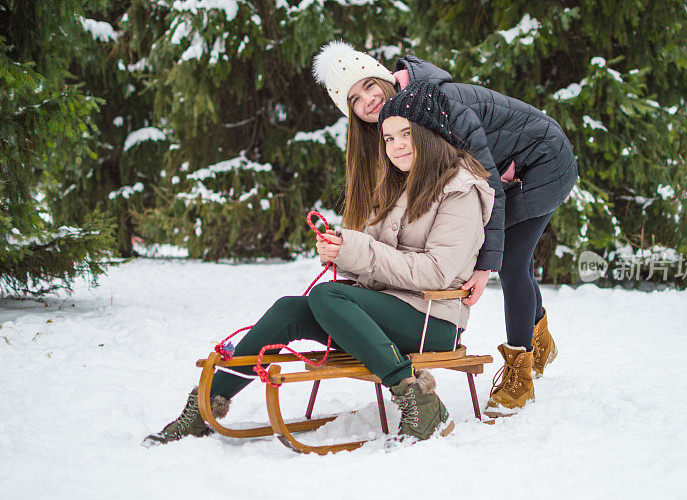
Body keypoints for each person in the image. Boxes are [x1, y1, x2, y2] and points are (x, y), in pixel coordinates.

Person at [143, 81, 494, 447]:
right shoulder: (396, 185)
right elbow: (372, 255)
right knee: (288, 310)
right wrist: (340, 249)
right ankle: (204, 408)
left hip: (432, 319)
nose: (396, 145)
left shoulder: (460, 190)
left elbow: (435, 272)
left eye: (406, 133)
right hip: (386, 308)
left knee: (328, 298)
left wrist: (356, 250)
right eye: (388, 138)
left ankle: (419, 401)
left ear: (431, 131)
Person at [313, 41, 578, 416]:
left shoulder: (439, 104)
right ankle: (539, 337)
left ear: (384, 77)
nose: (367, 101)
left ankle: (521, 372)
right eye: (354, 99)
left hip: (543, 163)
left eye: (369, 86)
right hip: (507, 170)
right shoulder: (396, 120)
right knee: (516, 259)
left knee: (512, 262)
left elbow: (485, 187)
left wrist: (484, 267)